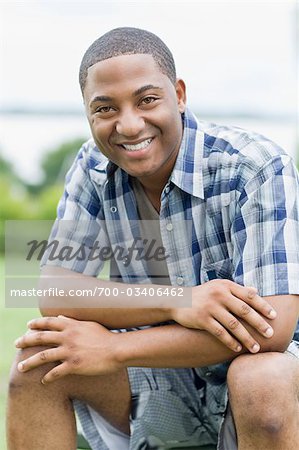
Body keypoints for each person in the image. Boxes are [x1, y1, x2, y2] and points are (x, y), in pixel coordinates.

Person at [7, 27, 299, 450]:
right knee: (40, 363)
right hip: (164, 379)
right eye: (105, 108)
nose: (128, 125)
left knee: (261, 377)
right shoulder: (91, 167)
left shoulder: (255, 165)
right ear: (88, 114)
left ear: (179, 95)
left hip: (268, 380)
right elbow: (56, 290)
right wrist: (180, 299)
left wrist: (114, 349)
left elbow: (272, 327)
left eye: (147, 100)